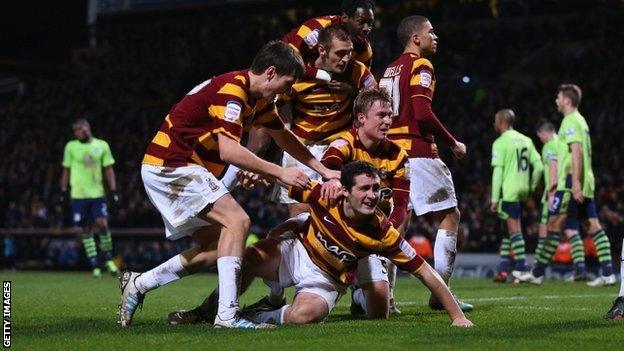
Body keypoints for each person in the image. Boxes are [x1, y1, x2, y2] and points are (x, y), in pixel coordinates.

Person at [117, 41, 340, 329]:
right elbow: (229, 151)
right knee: (238, 222)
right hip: (171, 163)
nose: (287, 92)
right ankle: (227, 316)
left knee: (215, 247)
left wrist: (322, 169)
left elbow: (283, 137)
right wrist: (278, 173)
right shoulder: (232, 91)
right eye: (287, 84)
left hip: (187, 166)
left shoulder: (258, 99)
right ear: (270, 72)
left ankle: (139, 282)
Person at [168, 161, 474, 327]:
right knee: (248, 256)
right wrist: (257, 174)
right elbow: (283, 179)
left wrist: (457, 317)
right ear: (347, 191)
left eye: (375, 189)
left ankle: (257, 315)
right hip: (297, 252)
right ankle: (208, 312)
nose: (371, 196)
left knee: (306, 316)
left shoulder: (383, 232)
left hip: (327, 278)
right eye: (364, 189)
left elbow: (426, 273)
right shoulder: (325, 195)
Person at [379, 15, 471, 311]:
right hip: (417, 153)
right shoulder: (421, 65)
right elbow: (421, 112)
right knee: (450, 215)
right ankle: (441, 292)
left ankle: (385, 298)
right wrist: (453, 142)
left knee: (397, 223)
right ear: (415, 38)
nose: (436, 36)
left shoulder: (389, 70)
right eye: (431, 32)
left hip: (390, 154)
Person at [319, 88, 409, 317]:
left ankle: (365, 294)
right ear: (361, 118)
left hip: (375, 230)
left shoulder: (397, 154)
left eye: (390, 115)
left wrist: (386, 229)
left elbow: (400, 205)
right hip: (342, 230)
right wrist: (334, 179)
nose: (388, 121)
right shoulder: (345, 143)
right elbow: (330, 163)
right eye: (382, 115)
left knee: (381, 311)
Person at [514, 84, 615, 286]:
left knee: (554, 225)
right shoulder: (580, 121)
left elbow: (576, 151)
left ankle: (537, 273)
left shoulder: (570, 121)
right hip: (585, 180)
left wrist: (574, 182)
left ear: (567, 100)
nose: (556, 100)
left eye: (558, 97)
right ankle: (608, 274)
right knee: (591, 225)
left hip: (571, 183)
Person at [275, 24, 376, 217]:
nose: (345, 59)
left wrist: (352, 91)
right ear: (322, 49)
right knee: (301, 217)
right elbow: (276, 107)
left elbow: (378, 101)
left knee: (342, 215)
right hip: (302, 151)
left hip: (339, 149)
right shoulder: (298, 75)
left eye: (349, 52)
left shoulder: (357, 71)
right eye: (340, 53)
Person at [61, 119, 119, 278]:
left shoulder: (102, 145)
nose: (77, 133)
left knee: (102, 224)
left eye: (79, 130)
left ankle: (108, 259)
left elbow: (108, 169)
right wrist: (63, 189)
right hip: (78, 195)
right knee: (86, 229)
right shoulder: (71, 146)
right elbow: (66, 169)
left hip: (97, 194)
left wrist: (113, 190)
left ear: (87, 129)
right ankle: (94, 265)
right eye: (75, 131)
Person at [488, 109, 543, 280]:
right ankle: (503, 268)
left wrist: (495, 199)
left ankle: (522, 266)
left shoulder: (500, 143)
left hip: (509, 191)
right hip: (522, 189)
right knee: (507, 229)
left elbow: (498, 173)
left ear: (502, 122)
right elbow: (539, 166)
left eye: (496, 120)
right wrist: (531, 186)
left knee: (514, 229)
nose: (494, 124)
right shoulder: (526, 140)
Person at [535, 120, 587, 282]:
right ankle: (580, 268)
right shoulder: (563, 144)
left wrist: (551, 193)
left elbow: (553, 168)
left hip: (556, 191)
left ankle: (537, 270)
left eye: (540, 136)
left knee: (547, 228)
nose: (541, 139)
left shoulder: (550, 145)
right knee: (571, 228)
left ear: (544, 133)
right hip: (571, 187)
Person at [282, 0, 375, 81]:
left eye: (370, 24)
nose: (367, 28)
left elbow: (364, 84)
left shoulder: (364, 50)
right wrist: (323, 75)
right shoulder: (315, 30)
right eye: (361, 22)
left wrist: (350, 89)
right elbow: (284, 61)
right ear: (344, 18)